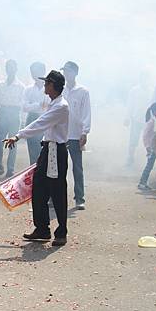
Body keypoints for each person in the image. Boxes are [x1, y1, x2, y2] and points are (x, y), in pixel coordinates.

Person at [3, 70, 70, 247]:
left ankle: (61, 231)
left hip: (56, 151)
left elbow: (40, 123)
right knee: (39, 189)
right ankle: (42, 228)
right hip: (48, 149)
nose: (45, 86)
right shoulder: (53, 103)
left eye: (47, 83)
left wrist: (18, 136)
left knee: (57, 192)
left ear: (53, 86)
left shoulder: (61, 106)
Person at [61, 61, 91, 210]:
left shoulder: (83, 91)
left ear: (75, 73)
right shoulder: (61, 89)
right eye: (65, 71)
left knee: (77, 168)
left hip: (75, 134)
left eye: (69, 71)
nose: (66, 74)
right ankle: (56, 198)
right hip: (61, 134)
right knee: (59, 168)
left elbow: (86, 113)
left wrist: (85, 132)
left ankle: (79, 198)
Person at [0, 59, 25, 177]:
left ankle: (10, 168)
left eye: (12, 67)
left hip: (14, 113)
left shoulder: (21, 86)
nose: (10, 70)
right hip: (3, 111)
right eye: (8, 67)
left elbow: (23, 103)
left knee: (13, 142)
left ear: (16, 69)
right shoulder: (0, 85)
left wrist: (21, 119)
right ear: (5, 69)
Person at [22, 62, 49, 165]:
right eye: (32, 72)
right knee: (32, 151)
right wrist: (39, 105)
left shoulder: (49, 88)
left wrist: (33, 106)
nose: (34, 74)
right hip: (32, 119)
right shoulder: (28, 89)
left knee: (44, 150)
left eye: (36, 71)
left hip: (45, 121)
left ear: (43, 72)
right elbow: (24, 107)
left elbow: (49, 105)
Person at [125, 71, 153, 167]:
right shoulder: (134, 90)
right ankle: (130, 158)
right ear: (140, 79)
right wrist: (127, 117)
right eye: (143, 77)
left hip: (149, 121)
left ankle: (150, 159)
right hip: (136, 119)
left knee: (149, 140)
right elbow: (129, 105)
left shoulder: (151, 90)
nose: (145, 80)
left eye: (147, 78)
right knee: (133, 140)